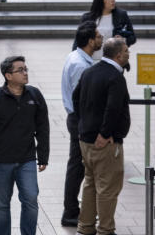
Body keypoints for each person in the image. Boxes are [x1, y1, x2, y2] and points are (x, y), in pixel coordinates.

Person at [0, 56, 49, 235]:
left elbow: (43, 127)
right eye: (20, 70)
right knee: (2, 205)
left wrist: (43, 156)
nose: (25, 73)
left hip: (27, 160)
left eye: (26, 69)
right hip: (1, 162)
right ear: (8, 75)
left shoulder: (35, 95)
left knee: (30, 200)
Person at [72, 37, 132, 235]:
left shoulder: (90, 71)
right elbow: (113, 108)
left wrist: (83, 124)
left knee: (90, 183)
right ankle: (106, 229)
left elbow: (75, 97)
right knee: (108, 187)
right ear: (117, 55)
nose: (128, 54)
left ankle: (85, 226)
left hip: (85, 139)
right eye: (126, 51)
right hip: (104, 143)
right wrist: (105, 133)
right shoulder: (115, 77)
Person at [60, 22, 103, 227]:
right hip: (80, 120)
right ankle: (70, 211)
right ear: (89, 41)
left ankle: (72, 209)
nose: (101, 38)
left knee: (76, 164)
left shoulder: (77, 57)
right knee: (77, 165)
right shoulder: (80, 65)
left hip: (77, 118)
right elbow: (83, 100)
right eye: (97, 36)